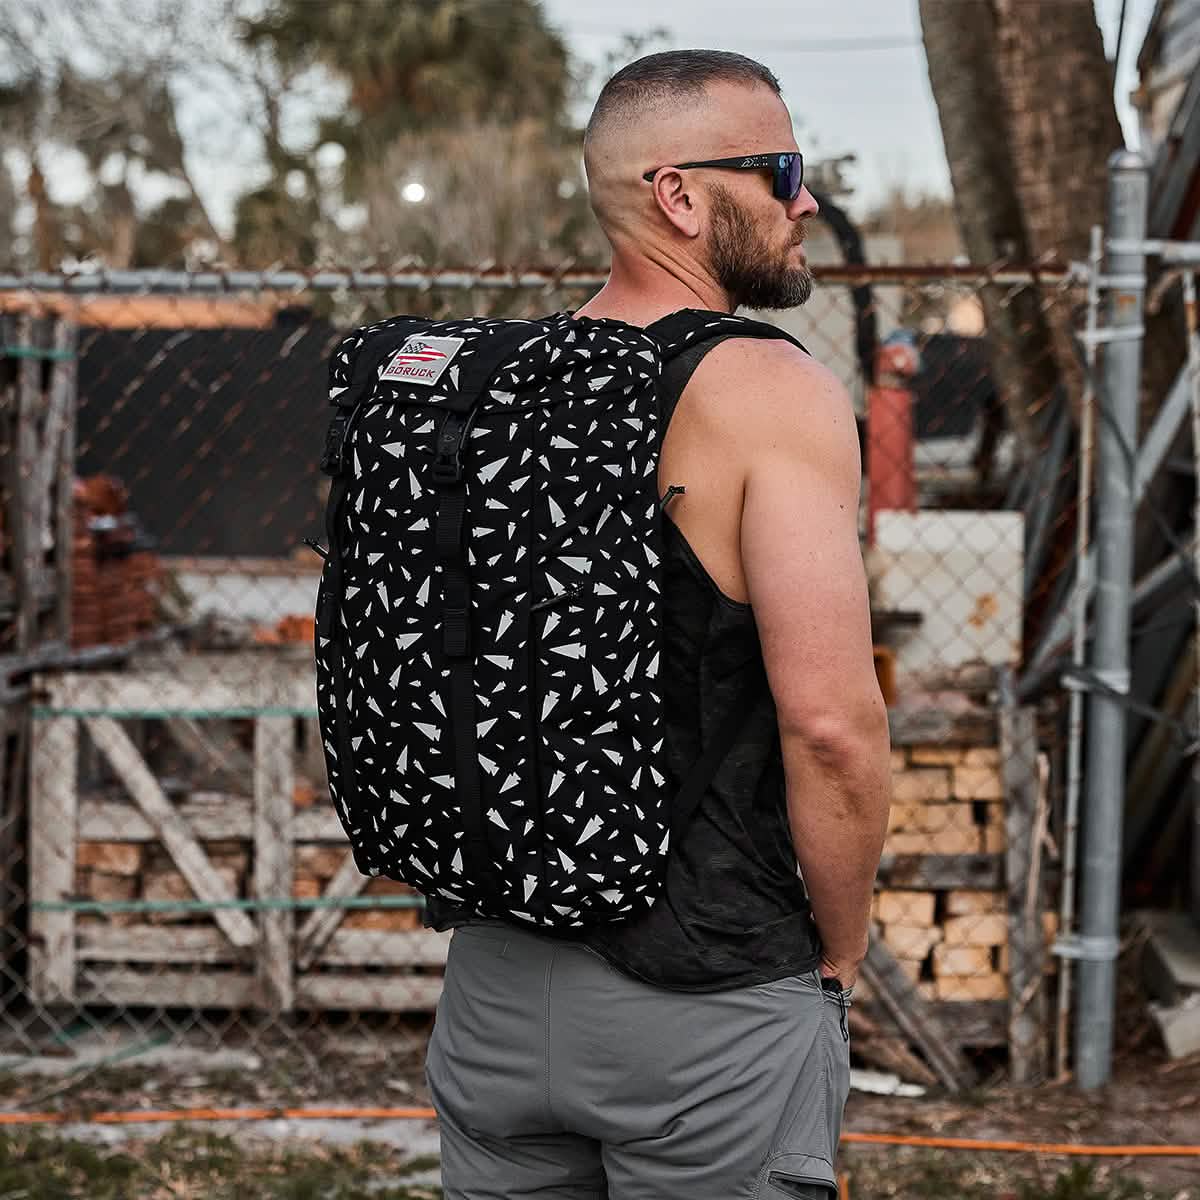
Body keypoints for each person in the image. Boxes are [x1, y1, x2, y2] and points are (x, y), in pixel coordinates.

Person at [424, 49, 892, 1200]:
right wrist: (837, 954)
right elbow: (831, 723)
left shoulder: (507, 380)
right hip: (708, 1008)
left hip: (492, 994)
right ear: (679, 195)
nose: (807, 201)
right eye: (782, 170)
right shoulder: (765, 390)